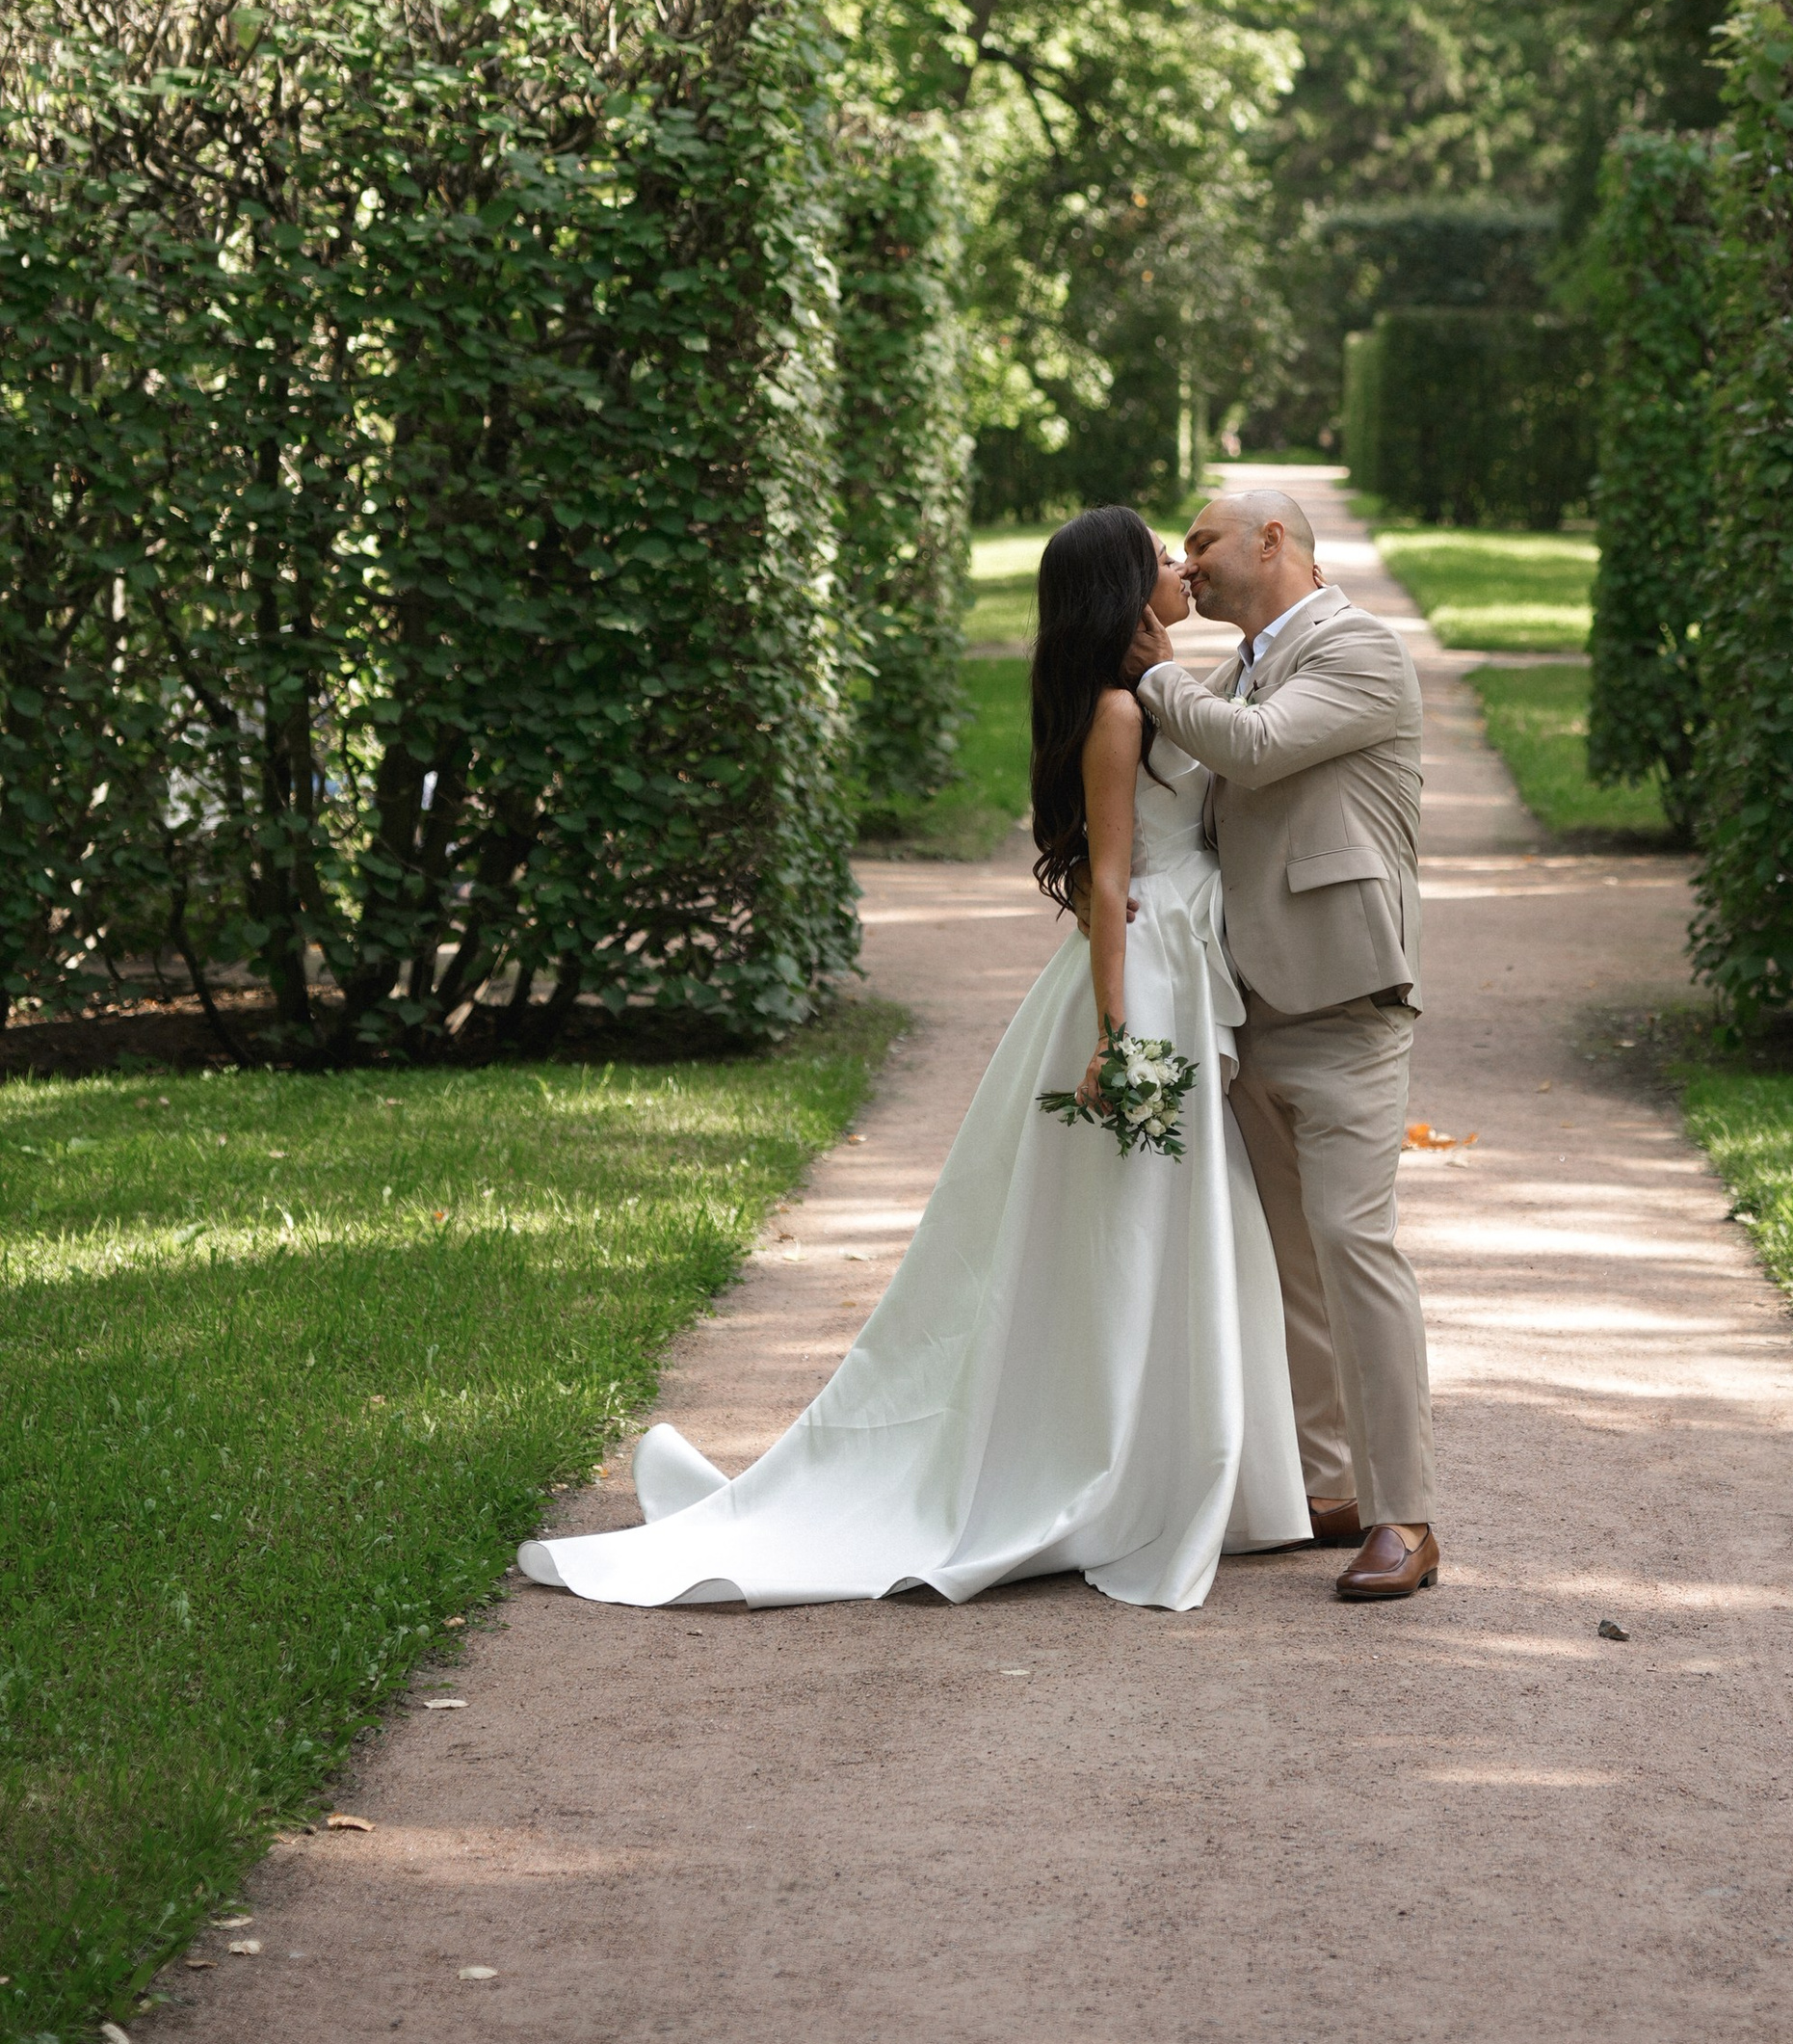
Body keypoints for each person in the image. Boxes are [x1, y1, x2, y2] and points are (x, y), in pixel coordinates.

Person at [516, 507, 1306, 1611]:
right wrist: (1115, 1034)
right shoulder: (1120, 714)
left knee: (1174, 1215)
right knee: (1145, 1215)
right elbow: (1115, 880)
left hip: (1175, 961)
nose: (1181, 568)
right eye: (1162, 560)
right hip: (1148, 977)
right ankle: (1131, 1467)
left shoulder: (1155, 688)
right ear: (1124, 596)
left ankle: (1189, 1464)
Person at [1129, 483, 1437, 1604]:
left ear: (1272, 541)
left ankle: (1404, 1515)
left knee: (1355, 1251)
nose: (1190, 562)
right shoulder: (1243, 663)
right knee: (1293, 1268)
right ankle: (1329, 1488)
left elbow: (1251, 753)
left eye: (1202, 541)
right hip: (1243, 1004)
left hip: (1347, 1000)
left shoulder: (1359, 651)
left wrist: (1144, 666)